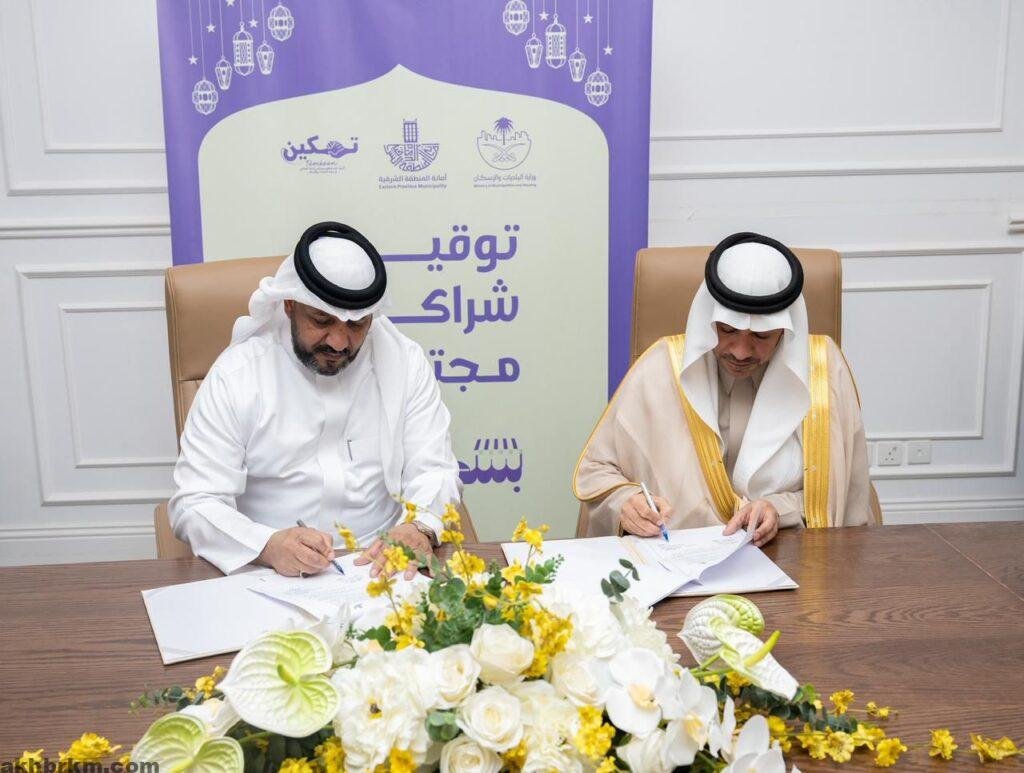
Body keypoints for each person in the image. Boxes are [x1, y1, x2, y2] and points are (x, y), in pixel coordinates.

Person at [169, 221, 461, 576]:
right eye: (322, 320)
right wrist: (266, 545)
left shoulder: (404, 362)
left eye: (356, 325)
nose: (338, 342)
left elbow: (434, 469)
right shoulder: (238, 375)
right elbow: (195, 502)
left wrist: (419, 527)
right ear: (290, 304)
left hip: (385, 568)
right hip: (269, 571)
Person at [573, 232, 877, 545]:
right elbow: (597, 471)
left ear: (786, 331)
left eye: (761, 336)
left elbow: (845, 496)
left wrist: (779, 509)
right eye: (727, 330)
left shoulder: (825, 374)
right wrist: (626, 501)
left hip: (788, 552)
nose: (741, 352)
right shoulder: (659, 369)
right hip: (676, 556)